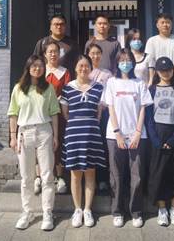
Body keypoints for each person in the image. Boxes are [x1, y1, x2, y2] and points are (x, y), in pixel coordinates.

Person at [7, 55, 60, 231]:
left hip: (45, 131)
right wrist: (12, 136)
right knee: (26, 177)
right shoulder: (19, 88)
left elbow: (54, 113)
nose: (37, 69)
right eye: (34, 66)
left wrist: (56, 136)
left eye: (40, 66)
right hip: (24, 133)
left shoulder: (48, 88)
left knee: (47, 175)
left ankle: (47, 212)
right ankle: (27, 212)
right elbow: (13, 113)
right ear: (28, 68)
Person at [103, 48, 153, 228]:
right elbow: (110, 108)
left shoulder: (139, 83)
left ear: (133, 62)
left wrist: (138, 132)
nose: (125, 63)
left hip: (137, 136)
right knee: (116, 175)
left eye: (128, 60)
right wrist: (117, 133)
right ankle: (117, 212)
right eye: (122, 60)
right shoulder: (111, 82)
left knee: (136, 175)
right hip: (114, 135)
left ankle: (136, 212)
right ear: (117, 63)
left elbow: (143, 108)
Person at [60, 55, 106, 228]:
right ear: (75, 68)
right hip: (73, 135)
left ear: (91, 68)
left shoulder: (98, 87)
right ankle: (77, 209)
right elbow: (65, 114)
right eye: (80, 65)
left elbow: (99, 113)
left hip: (92, 134)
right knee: (75, 174)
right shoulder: (67, 88)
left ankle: (87, 210)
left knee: (90, 173)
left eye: (87, 65)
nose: (84, 68)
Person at [145, 57, 174, 227]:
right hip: (157, 133)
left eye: (169, 69)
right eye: (162, 70)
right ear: (157, 72)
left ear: (173, 70)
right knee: (158, 173)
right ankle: (162, 209)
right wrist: (155, 140)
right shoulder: (152, 90)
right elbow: (148, 117)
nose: (166, 73)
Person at [43, 42, 71, 195]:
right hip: (42, 113)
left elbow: (66, 92)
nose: (53, 54)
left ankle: (60, 177)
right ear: (45, 54)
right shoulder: (41, 70)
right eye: (50, 51)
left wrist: (56, 101)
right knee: (43, 143)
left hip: (59, 113)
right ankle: (43, 176)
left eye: (56, 51)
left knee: (58, 142)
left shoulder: (64, 72)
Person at [87, 43, 113, 192]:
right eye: (92, 53)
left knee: (102, 145)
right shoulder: (84, 71)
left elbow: (109, 93)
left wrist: (101, 106)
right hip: (88, 114)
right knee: (90, 145)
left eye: (98, 53)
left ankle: (103, 178)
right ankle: (90, 179)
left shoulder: (107, 74)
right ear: (88, 54)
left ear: (101, 55)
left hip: (103, 113)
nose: (95, 56)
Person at [144, 13, 174, 86]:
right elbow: (150, 62)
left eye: (168, 22)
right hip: (158, 82)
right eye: (162, 22)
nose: (165, 25)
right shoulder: (151, 41)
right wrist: (151, 79)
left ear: (172, 24)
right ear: (157, 25)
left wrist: (172, 75)